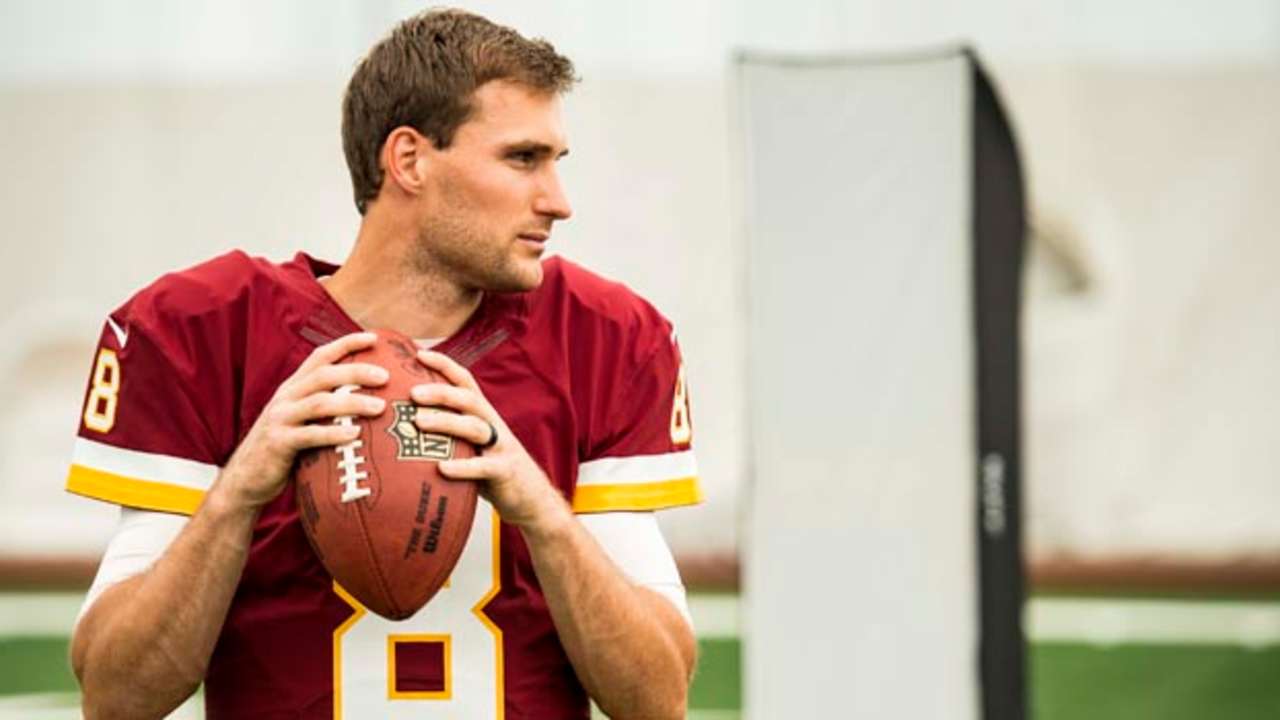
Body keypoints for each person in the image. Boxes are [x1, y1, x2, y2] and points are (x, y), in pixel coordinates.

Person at [65, 9, 700, 719]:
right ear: (409, 160)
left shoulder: (604, 338)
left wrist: (542, 513)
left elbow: (657, 701)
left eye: (557, 162)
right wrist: (238, 493)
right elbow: (116, 697)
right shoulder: (203, 331)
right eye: (523, 159)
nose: (558, 201)